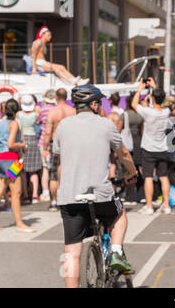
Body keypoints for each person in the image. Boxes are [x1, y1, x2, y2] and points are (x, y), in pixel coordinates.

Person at [53, 84, 137, 288]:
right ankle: (116, 252)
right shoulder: (106, 124)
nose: (101, 107)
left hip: (70, 197)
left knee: (71, 253)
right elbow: (123, 153)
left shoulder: (63, 126)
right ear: (93, 104)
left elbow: (60, 159)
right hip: (100, 195)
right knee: (119, 213)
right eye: (99, 103)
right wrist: (132, 172)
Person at [0, 99, 36, 233]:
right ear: (17, 110)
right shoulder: (14, 124)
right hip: (11, 161)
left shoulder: (1, 123)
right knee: (16, 193)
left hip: (0, 158)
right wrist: (23, 145)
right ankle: (19, 223)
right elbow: (11, 144)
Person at [131, 78, 171, 215]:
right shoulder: (166, 112)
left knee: (148, 176)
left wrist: (139, 89)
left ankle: (149, 206)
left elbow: (134, 104)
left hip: (149, 148)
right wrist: (155, 87)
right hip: (162, 148)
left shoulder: (148, 112)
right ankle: (166, 205)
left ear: (152, 99)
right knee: (164, 177)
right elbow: (165, 100)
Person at [42, 88, 76, 211]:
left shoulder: (52, 112)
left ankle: (54, 202)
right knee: (70, 173)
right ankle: (68, 200)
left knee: (54, 174)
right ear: (66, 97)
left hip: (56, 144)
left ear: (56, 97)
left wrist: (45, 148)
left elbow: (47, 133)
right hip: (71, 145)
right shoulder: (73, 111)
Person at [18, 94, 43, 204]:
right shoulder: (35, 115)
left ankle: (25, 194)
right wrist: (33, 104)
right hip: (33, 140)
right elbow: (38, 109)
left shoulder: (18, 115)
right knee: (33, 171)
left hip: (22, 141)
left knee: (22, 171)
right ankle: (35, 195)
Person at [37, 90, 57, 203]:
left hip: (43, 141)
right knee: (56, 168)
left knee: (45, 168)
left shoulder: (42, 110)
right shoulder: (57, 110)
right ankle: (56, 192)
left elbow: (38, 122)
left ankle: (45, 192)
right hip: (56, 142)